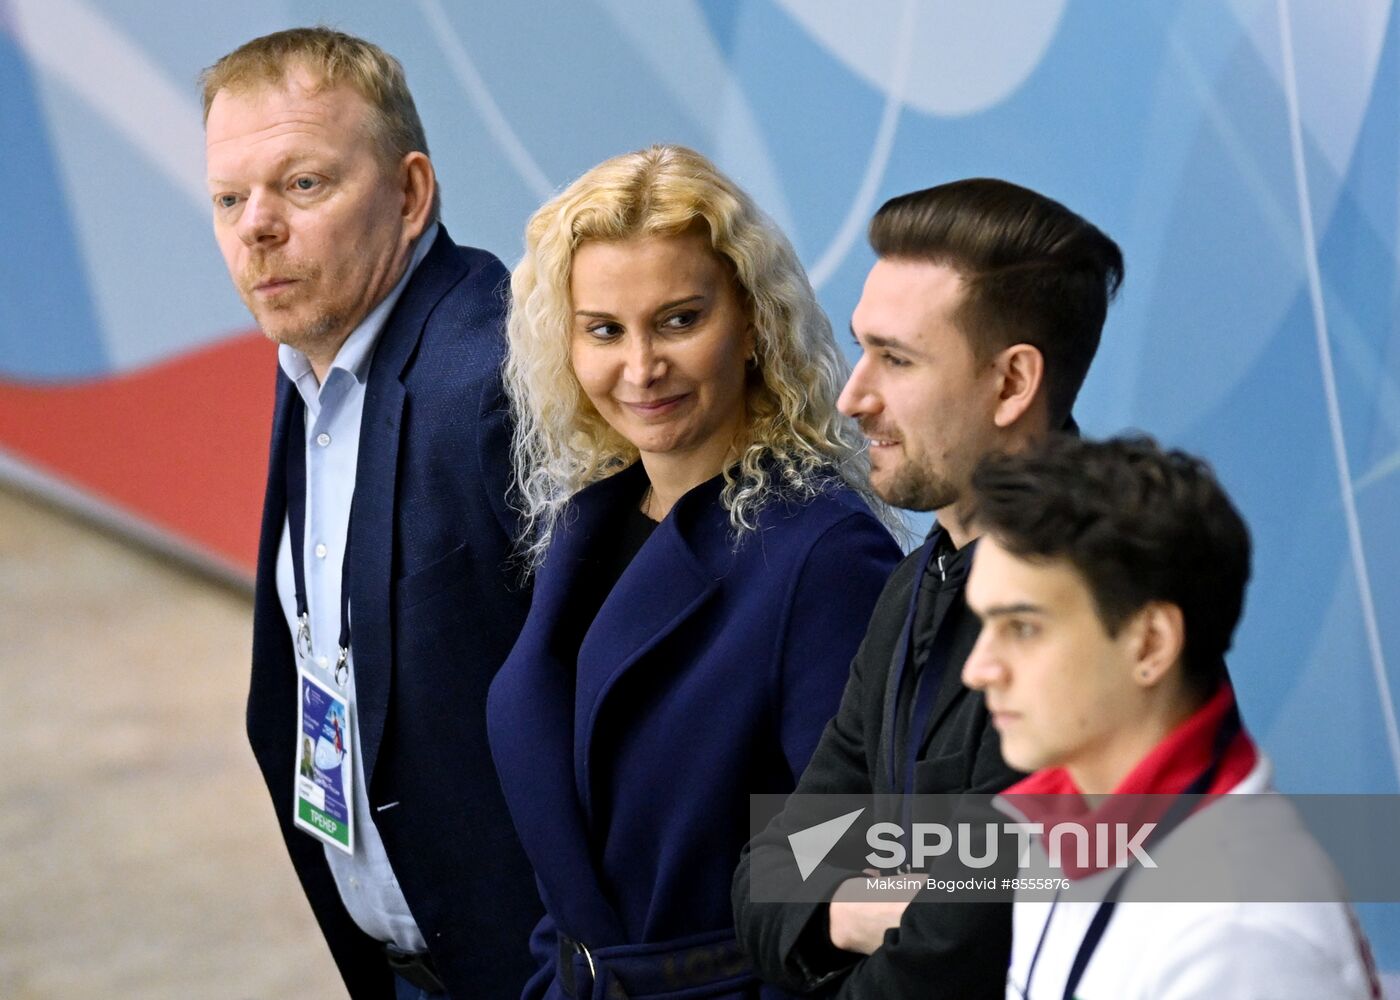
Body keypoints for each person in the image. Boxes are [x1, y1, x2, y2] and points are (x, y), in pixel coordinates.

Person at [485, 144, 902, 999]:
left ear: (751, 321)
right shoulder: (588, 522)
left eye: (679, 320)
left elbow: (867, 875)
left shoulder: (821, 553)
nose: (640, 369)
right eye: (604, 330)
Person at [202, 28, 538, 998]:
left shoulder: (492, 380)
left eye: (302, 185)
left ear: (409, 193)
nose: (256, 227)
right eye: (230, 199)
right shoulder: (316, 355)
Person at [734, 179, 1124, 997]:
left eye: (897, 360)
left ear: (1013, 383)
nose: (853, 396)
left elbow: (966, 944)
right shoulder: (916, 579)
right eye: (862, 347)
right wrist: (859, 908)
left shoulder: (1097, 614)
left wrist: (853, 891)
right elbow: (770, 869)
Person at [961, 434, 1380, 998]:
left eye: (1024, 628)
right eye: (983, 624)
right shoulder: (1061, 831)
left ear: (1150, 644)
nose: (978, 669)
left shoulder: (1241, 931)